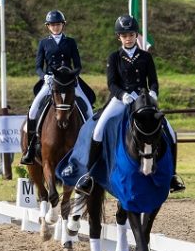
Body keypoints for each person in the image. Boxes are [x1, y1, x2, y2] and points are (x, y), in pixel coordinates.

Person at [66, 14, 183, 195]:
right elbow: (111, 83)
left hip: (143, 101)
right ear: (119, 37)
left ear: (136, 35)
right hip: (121, 99)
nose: (128, 38)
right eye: (124, 35)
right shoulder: (114, 57)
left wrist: (153, 92)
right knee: (98, 129)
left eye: (131, 35)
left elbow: (153, 80)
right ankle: (88, 175)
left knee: (170, 131)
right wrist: (123, 95)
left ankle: (173, 176)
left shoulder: (145, 57)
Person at [20, 9, 93, 166]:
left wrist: (73, 75)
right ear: (48, 26)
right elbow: (38, 66)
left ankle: (90, 146)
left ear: (63, 25)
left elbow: (78, 65)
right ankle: (31, 147)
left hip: (69, 81)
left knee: (88, 108)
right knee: (33, 110)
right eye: (53, 25)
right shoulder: (44, 43)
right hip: (52, 82)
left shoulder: (70, 42)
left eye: (58, 24)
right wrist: (44, 76)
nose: (56, 27)